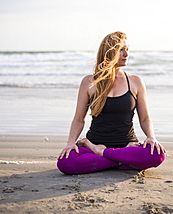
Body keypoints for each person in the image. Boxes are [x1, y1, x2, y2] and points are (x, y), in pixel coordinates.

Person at [57, 31, 166, 175]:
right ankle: (123, 161)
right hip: (94, 144)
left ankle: (102, 155)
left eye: (127, 50)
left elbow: (145, 118)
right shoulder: (89, 82)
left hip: (126, 146)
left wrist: (151, 137)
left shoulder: (135, 82)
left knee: (157, 155)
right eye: (121, 50)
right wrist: (70, 143)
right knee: (65, 163)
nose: (126, 54)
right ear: (109, 52)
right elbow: (79, 119)